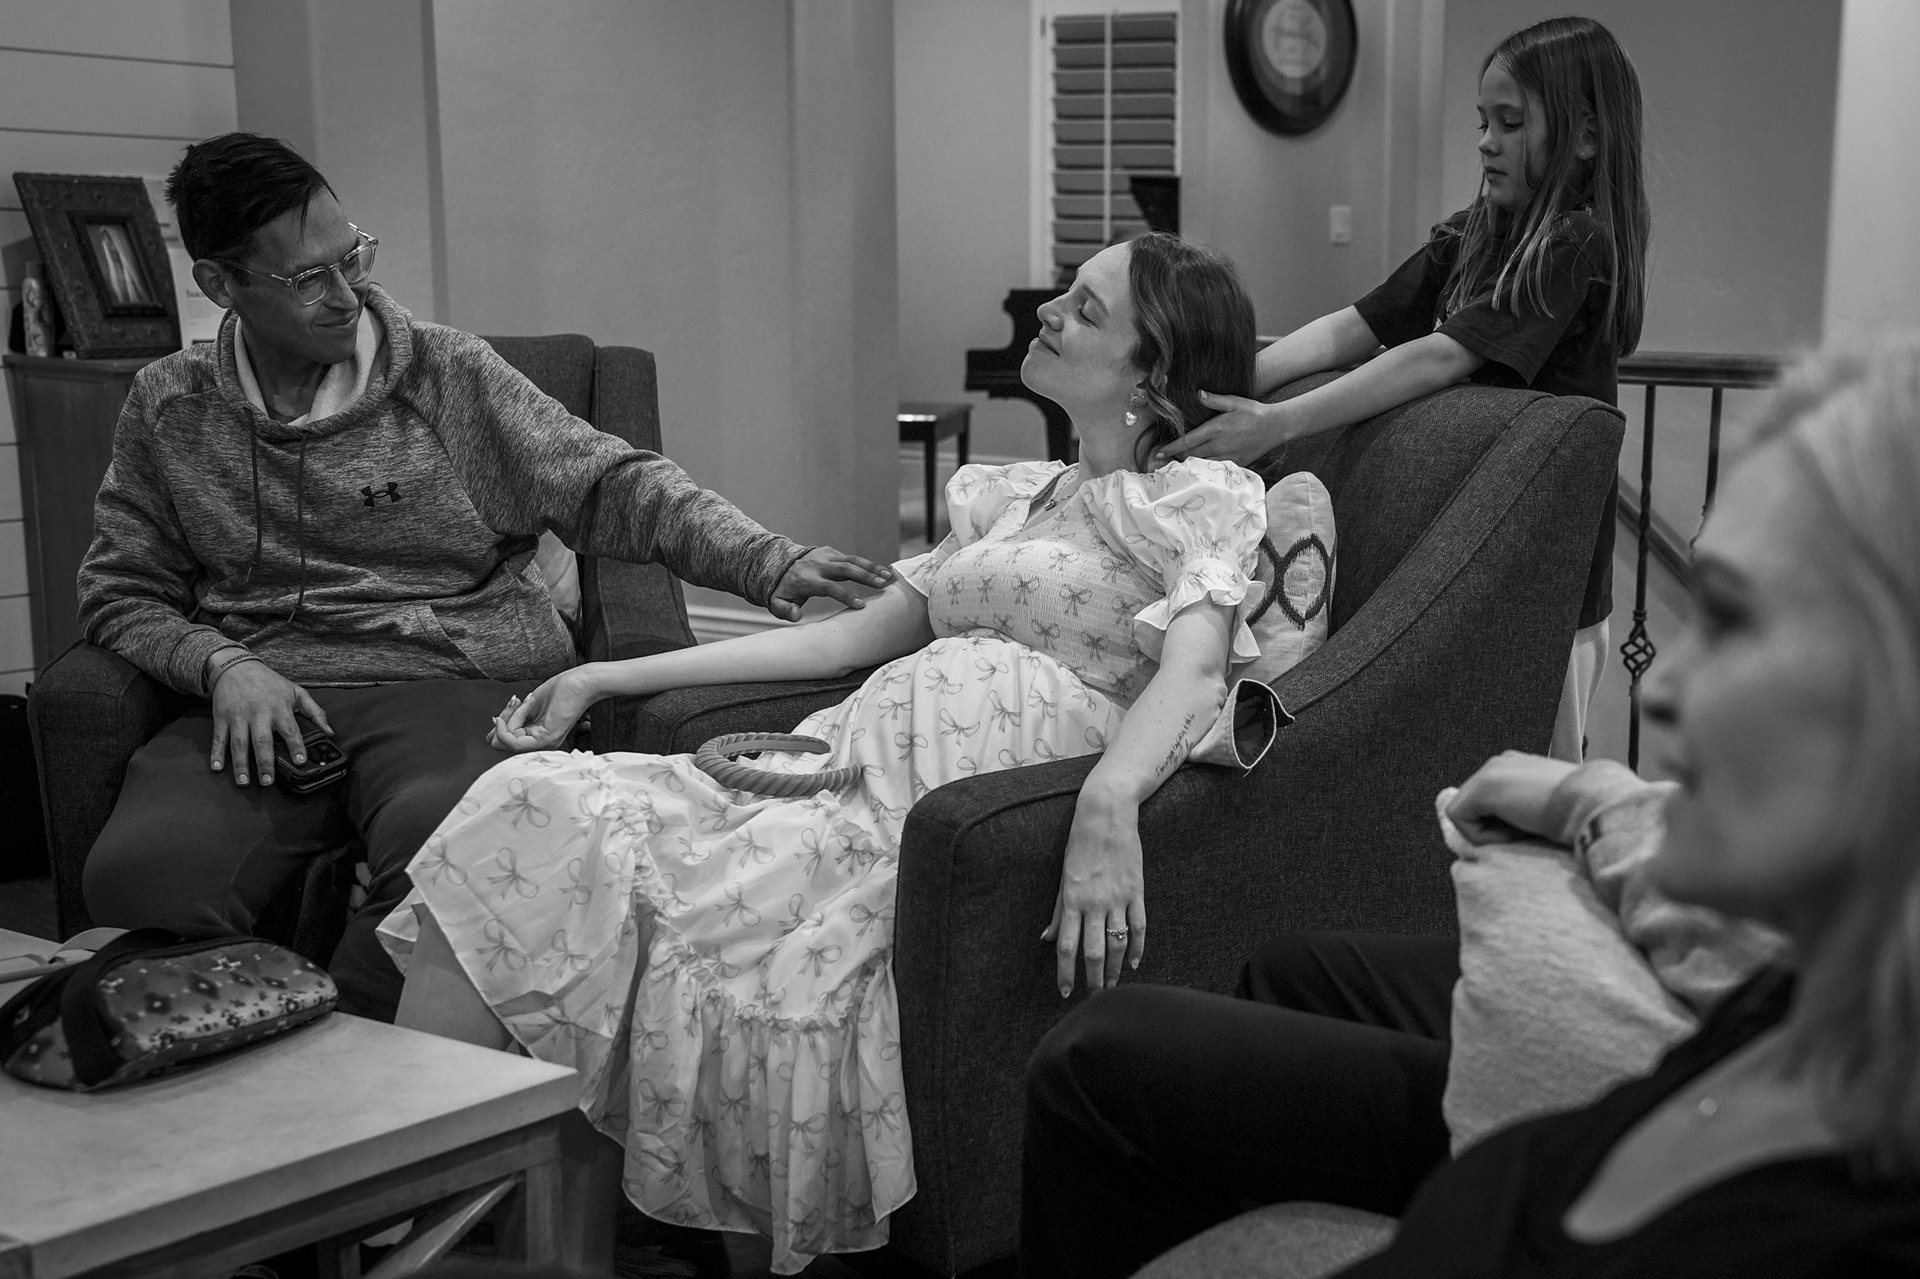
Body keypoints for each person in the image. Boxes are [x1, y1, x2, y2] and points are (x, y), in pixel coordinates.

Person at [381, 232, 1280, 1273]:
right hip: (842, 764)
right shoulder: (1014, 496)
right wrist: (603, 677)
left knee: (741, 951)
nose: (1048, 312)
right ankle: (422, 1220)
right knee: (532, 802)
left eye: (1084, 309)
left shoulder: (1196, 499)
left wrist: (1111, 801)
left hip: (933, 816)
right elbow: (849, 640)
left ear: (1151, 371)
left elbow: (1195, 671)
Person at [1021, 338, 1920, 1277]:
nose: (1660, 691)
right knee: (1235, 998)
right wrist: (1588, 800)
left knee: (1104, 1061)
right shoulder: (1796, 1010)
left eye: (1733, 621)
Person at [77, 131, 892, 1024]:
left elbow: (615, 485)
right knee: (137, 881)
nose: (346, 294)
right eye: (308, 278)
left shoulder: (447, 375)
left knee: (460, 865)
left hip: (453, 676)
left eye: (352, 258)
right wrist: (222, 665)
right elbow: (122, 589)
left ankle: (352, 1085)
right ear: (220, 285)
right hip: (267, 693)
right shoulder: (170, 404)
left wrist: (768, 558)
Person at [1162, 15, 1649, 764]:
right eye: (1482, 121)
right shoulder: (1474, 232)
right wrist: (1233, 388)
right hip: (1476, 553)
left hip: (1555, 583)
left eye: (1510, 123)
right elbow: (1355, 324)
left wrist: (1279, 423)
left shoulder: (1575, 244)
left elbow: (1441, 358)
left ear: (1585, 136)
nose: (1484, 140)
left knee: (1544, 779)